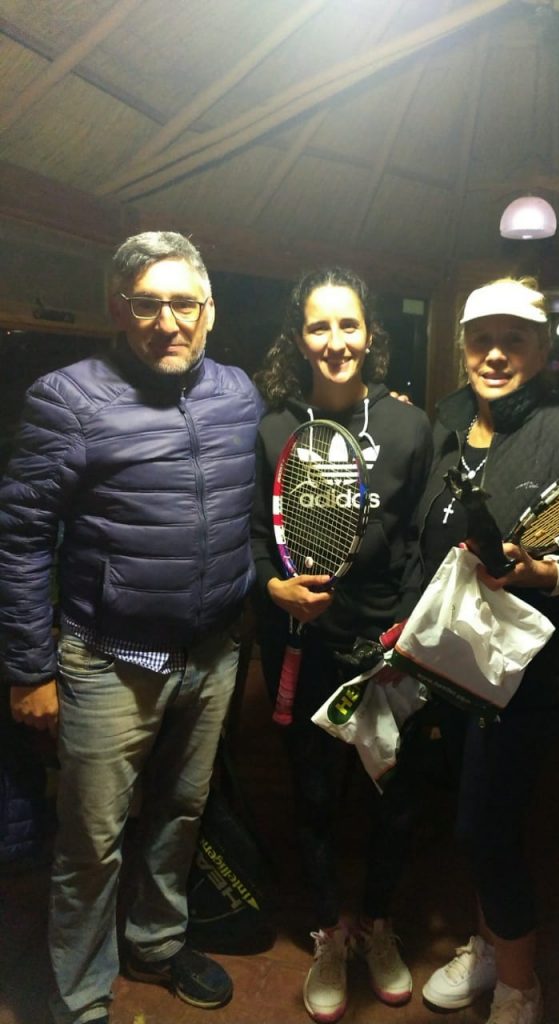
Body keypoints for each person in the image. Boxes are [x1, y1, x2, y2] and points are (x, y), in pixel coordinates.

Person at [0, 231, 265, 1024]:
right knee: (91, 842)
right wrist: (29, 670)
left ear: (210, 310)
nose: (168, 322)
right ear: (119, 310)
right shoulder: (67, 399)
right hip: (108, 660)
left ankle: (155, 942)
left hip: (212, 655)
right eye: (148, 304)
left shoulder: (239, 394)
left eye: (184, 303)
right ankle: (80, 997)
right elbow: (19, 538)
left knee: (180, 816)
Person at [406, 277, 559, 1024]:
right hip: (454, 665)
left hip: (533, 676)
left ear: (541, 350)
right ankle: (486, 944)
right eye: (483, 339)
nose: (496, 354)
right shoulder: (446, 425)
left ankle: (518, 986)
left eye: (515, 340)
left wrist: (547, 572)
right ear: (463, 347)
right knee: (474, 820)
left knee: (485, 829)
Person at [251, 266, 432, 1023]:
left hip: (390, 651)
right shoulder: (271, 428)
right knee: (316, 796)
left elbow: (422, 542)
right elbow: (256, 536)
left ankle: (378, 925)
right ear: (299, 339)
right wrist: (274, 588)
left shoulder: (409, 427)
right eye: (319, 326)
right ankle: (330, 931)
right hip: (307, 647)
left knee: (395, 800)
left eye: (348, 325)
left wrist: (406, 632)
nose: (335, 341)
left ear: (369, 334)